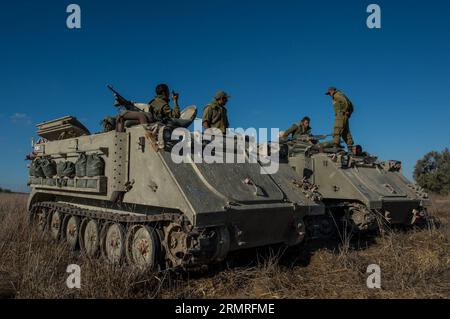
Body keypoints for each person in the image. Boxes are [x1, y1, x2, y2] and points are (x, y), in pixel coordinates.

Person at [115, 83, 181, 132]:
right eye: (168, 92)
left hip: (148, 121)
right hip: (153, 124)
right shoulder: (163, 104)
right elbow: (175, 115)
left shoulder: (152, 102)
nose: (169, 94)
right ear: (164, 93)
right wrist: (175, 101)